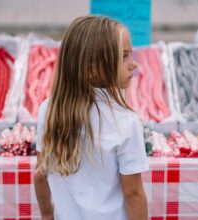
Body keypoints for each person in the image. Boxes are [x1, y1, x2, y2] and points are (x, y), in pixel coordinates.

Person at [34, 15, 149, 220]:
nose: (134, 64)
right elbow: (133, 193)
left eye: (131, 55)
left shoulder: (48, 109)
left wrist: (46, 216)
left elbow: (40, 175)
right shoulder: (126, 122)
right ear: (90, 69)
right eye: (123, 57)